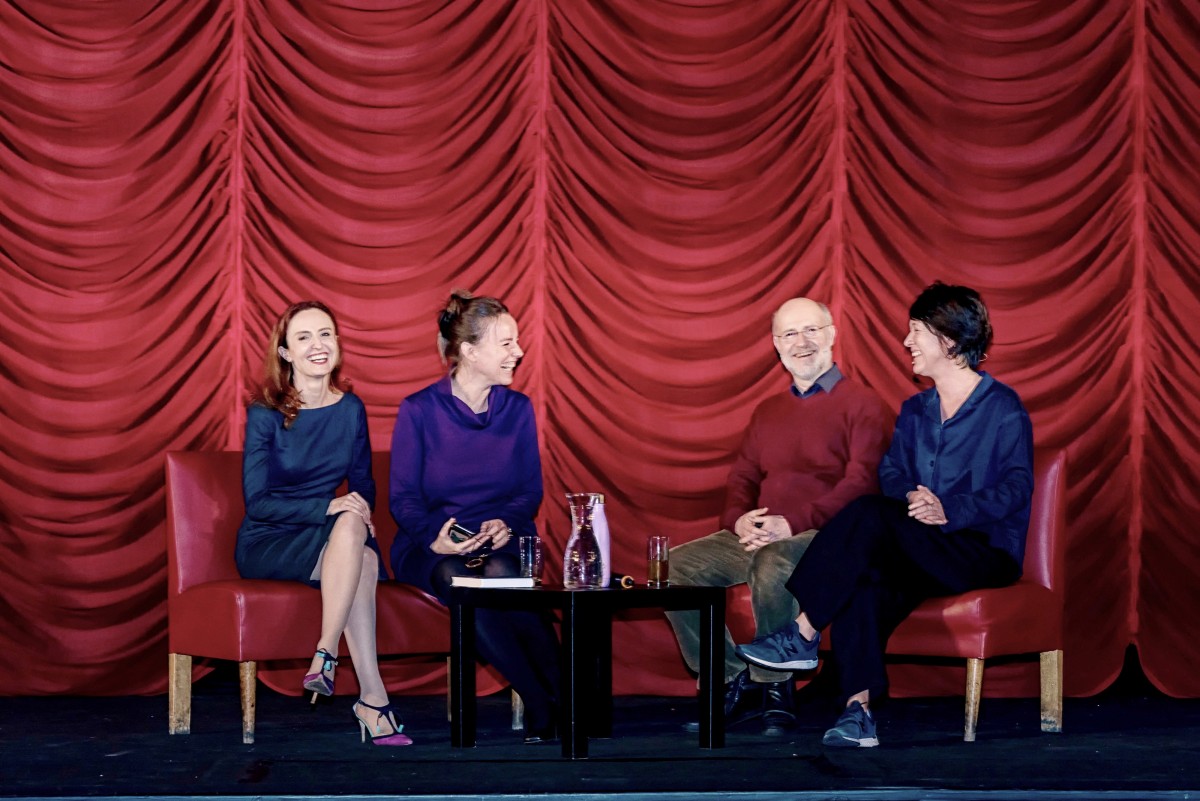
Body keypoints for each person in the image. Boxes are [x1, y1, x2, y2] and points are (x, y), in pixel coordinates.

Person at [735, 282, 1034, 748]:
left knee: (869, 512)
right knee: (865, 578)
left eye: (916, 331)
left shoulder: (1001, 407)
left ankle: (802, 632)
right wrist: (914, 498)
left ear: (949, 341)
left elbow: (1016, 489)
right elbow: (892, 471)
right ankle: (858, 714)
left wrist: (948, 508)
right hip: (922, 545)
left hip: (980, 550)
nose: (906, 342)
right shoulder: (915, 410)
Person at [664, 298, 892, 735]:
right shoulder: (768, 411)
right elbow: (742, 479)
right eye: (789, 334)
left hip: (826, 534)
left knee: (774, 560)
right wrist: (739, 521)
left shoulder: (864, 404)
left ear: (831, 334)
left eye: (811, 330)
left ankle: (776, 687)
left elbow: (861, 485)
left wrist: (793, 522)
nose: (801, 343)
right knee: (676, 566)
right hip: (762, 530)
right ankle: (733, 679)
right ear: (775, 344)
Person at [235, 300, 411, 747]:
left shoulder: (351, 409)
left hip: (332, 534)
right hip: (270, 540)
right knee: (353, 538)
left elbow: (364, 485)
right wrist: (329, 508)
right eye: (304, 337)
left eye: (326, 334)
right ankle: (352, 678)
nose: (318, 345)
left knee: (357, 537)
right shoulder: (264, 414)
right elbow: (257, 503)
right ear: (286, 353)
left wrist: (358, 512)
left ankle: (346, 674)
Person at [389, 290, 560, 744]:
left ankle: (564, 693)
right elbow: (402, 498)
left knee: (503, 570)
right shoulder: (419, 410)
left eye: (516, 342)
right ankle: (542, 702)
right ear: (468, 351)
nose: (518, 352)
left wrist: (506, 521)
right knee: (459, 576)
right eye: (506, 344)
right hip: (432, 544)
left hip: (502, 536)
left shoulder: (519, 410)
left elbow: (529, 491)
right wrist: (435, 537)